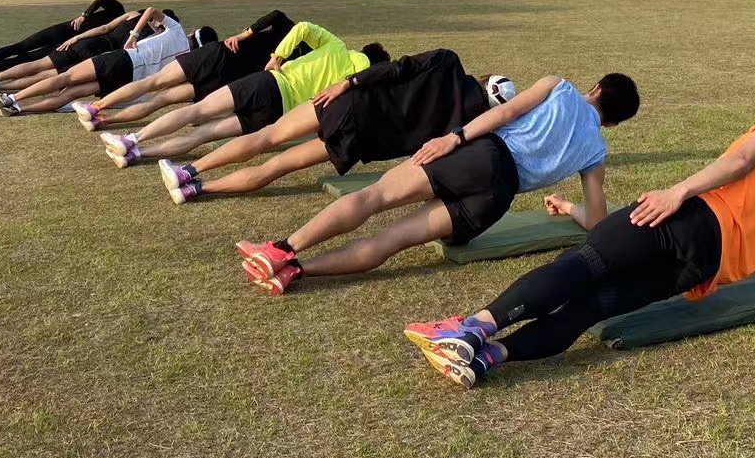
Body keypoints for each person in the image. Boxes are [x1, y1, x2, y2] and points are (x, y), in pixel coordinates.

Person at [403, 109, 755, 388]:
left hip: (685, 220)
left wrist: (677, 192)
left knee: (582, 265)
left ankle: (471, 331)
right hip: (699, 269)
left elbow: (742, 159)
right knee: (588, 310)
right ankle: (488, 359)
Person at [235, 72, 639, 296]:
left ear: (596, 88)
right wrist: (567, 207)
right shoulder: (596, 151)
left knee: (374, 197)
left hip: (481, 155)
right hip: (495, 200)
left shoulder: (560, 87)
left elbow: (505, 113)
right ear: (614, 124)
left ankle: (281, 250)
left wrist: (455, 137)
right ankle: (296, 271)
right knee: (393, 239)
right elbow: (596, 220)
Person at [149, 48, 514, 202]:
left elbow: (396, 69)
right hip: (362, 141)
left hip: (353, 104)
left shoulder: (448, 62)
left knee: (268, 137)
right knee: (276, 167)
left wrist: (349, 82)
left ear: (485, 80)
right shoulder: (462, 130)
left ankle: (189, 171)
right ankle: (198, 190)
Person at [98, 21, 387, 161]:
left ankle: (132, 140)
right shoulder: (354, 85)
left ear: (362, 50)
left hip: (270, 83)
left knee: (196, 111)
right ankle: (139, 154)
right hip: (280, 113)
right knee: (204, 135)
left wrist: (277, 56)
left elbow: (302, 27)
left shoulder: (337, 47)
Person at [76, 9, 298, 131]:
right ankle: (103, 120)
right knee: (159, 101)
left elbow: (276, 15)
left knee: (154, 83)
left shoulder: (300, 31)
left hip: (220, 55)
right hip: (228, 78)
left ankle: (95, 108)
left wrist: (243, 35)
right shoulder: (306, 58)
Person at [0, 9, 200, 116]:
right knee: (71, 94)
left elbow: (151, 10)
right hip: (129, 80)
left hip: (123, 58)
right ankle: (19, 109)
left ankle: (12, 98)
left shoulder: (176, 31)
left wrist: (134, 35)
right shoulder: (186, 60)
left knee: (66, 78)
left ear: (192, 33)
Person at [0, 5, 153, 96]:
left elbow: (104, 28)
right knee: (49, 75)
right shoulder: (153, 36)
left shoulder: (132, 15)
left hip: (87, 42)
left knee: (37, 64)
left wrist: (77, 38)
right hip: (97, 56)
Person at [0, 0, 127, 83]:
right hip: (64, 31)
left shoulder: (121, 28)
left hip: (68, 44)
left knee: (26, 58)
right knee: (22, 47)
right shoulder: (119, 11)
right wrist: (84, 15)